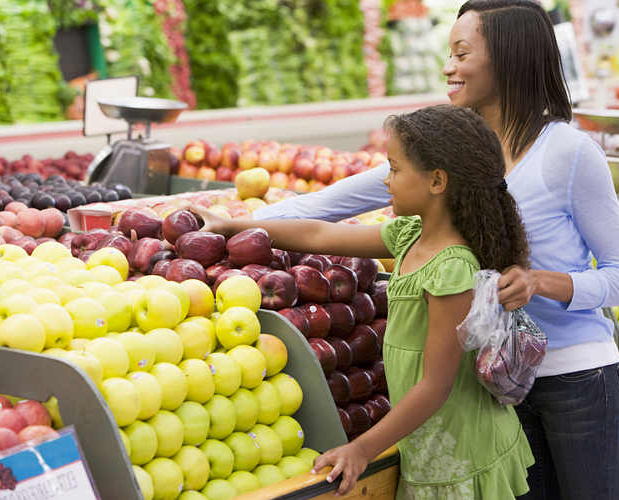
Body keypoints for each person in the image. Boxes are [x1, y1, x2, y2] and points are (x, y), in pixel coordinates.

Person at [248, 1, 619, 499]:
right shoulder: (455, 149)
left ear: (508, 58)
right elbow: (330, 206)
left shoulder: (570, 153)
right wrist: (235, 227)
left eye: (461, 52)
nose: (447, 67)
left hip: (574, 376)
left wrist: (543, 282)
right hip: (494, 382)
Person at [193, 104, 535, 499]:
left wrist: (362, 448)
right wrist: (233, 225)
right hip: (429, 438)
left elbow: (435, 386)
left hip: (461, 449)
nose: (386, 180)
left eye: (394, 169)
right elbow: (319, 236)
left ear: (437, 181)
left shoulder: (452, 269)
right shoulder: (411, 234)